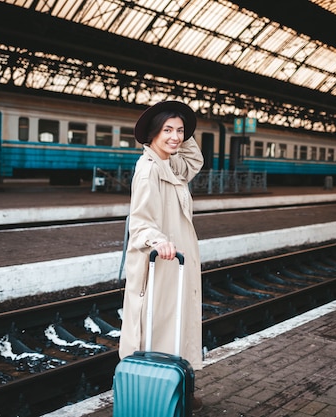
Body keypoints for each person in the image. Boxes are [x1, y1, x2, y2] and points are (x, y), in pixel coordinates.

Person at [119, 100, 204, 410]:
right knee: (155, 330)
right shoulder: (148, 170)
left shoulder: (171, 163)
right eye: (167, 130)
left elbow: (195, 160)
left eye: (180, 131)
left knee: (176, 327)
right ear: (153, 133)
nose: (176, 137)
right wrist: (158, 240)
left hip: (175, 266)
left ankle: (177, 390)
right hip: (160, 265)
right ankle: (154, 395)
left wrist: (185, 128)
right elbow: (140, 223)